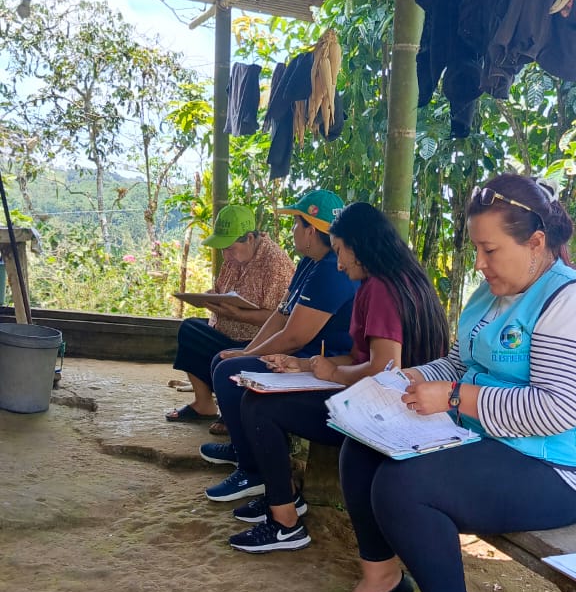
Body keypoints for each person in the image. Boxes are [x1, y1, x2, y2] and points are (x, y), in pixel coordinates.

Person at [333, 171, 576, 592]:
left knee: (405, 485)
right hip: (486, 441)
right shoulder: (489, 294)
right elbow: (459, 364)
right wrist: (413, 377)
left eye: (490, 250)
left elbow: (557, 409)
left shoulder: (565, 303)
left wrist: (452, 397)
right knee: (362, 449)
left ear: (536, 243)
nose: (480, 264)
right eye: (477, 250)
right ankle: (382, 578)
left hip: (553, 466)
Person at [227, 201, 449, 553]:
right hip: (406, 409)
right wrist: (306, 366)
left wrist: (332, 372)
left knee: (259, 406)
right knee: (262, 398)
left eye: (341, 251)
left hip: (386, 414)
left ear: (359, 247)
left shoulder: (379, 289)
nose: (340, 263)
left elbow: (385, 369)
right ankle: (281, 502)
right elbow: (365, 360)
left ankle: (285, 522)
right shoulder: (407, 279)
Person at [201, 188, 357, 502]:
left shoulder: (331, 270)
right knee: (225, 361)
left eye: (297, 223)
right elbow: (281, 315)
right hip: (302, 354)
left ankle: (253, 472)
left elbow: (294, 337)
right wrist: (247, 351)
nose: (293, 230)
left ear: (311, 231)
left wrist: (247, 355)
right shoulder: (309, 263)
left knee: (229, 373)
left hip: (321, 363)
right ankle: (243, 448)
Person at [166, 204, 293, 422]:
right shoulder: (235, 258)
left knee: (225, 357)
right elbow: (223, 290)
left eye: (230, 248)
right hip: (225, 330)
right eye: (223, 249)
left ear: (250, 239)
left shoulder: (275, 264)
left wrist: (238, 315)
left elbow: (281, 318)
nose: (226, 255)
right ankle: (203, 404)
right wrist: (210, 298)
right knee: (189, 329)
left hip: (255, 343)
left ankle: (233, 412)